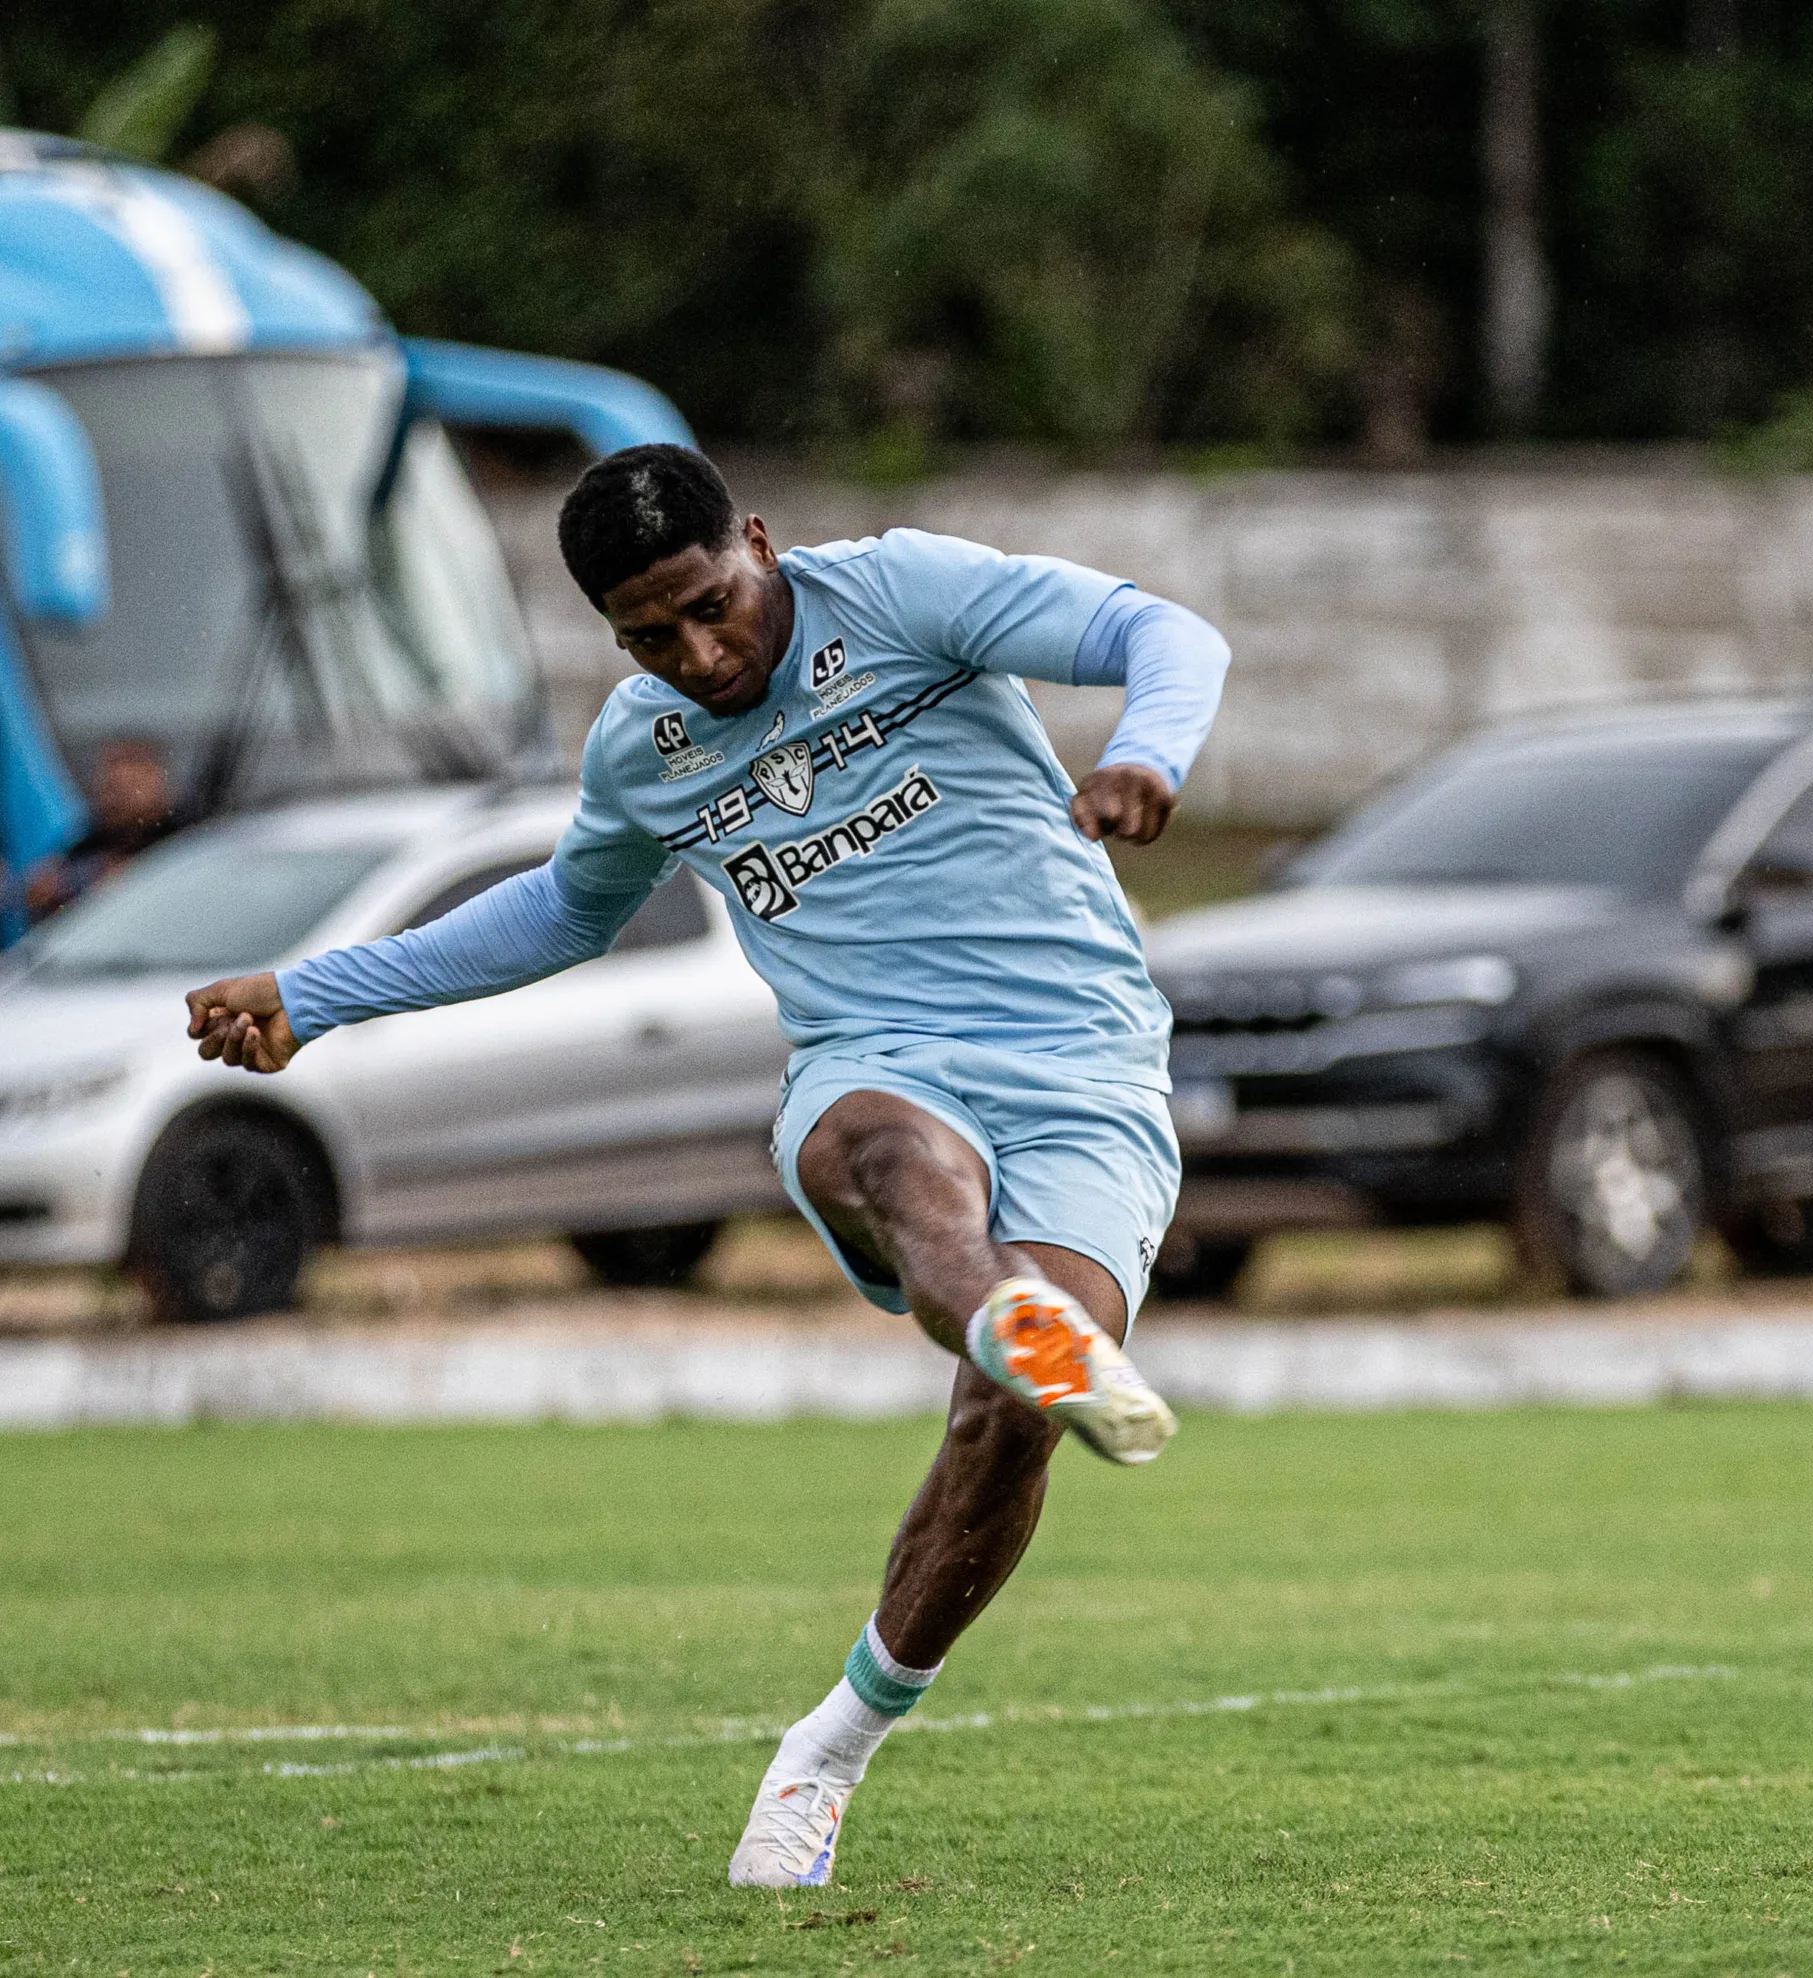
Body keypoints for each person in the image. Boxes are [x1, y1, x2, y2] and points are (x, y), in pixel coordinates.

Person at [182, 444, 1229, 1889]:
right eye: (647, 637)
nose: (699, 653)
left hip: (1085, 1068)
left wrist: (1146, 751)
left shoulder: (905, 592)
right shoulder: (642, 746)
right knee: (898, 1155)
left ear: (755, 539)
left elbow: (1162, 633)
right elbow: (562, 910)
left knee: (1008, 1424)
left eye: (711, 605)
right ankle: (1003, 1313)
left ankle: (831, 1745)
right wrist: (316, 992)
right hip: (874, 1063)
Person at [24, 737, 176, 922]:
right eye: (110, 789)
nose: (115, 802)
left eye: (129, 789)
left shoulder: (186, 846)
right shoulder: (79, 854)